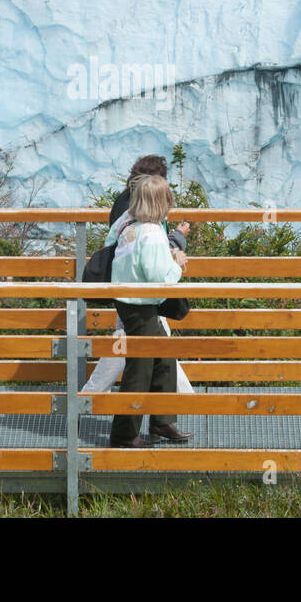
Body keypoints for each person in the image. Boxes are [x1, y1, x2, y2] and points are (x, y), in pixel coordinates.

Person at [108, 173, 193, 448]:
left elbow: (112, 245)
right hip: (141, 304)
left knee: (163, 359)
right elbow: (158, 275)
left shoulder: (127, 223)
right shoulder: (153, 233)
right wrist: (176, 262)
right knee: (140, 369)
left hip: (128, 302)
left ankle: (161, 420)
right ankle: (124, 432)